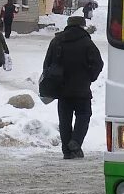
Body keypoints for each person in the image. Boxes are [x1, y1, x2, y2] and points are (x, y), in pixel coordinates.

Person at [43, 15, 104, 159]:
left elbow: (47, 64)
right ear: (82, 26)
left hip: (61, 89)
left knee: (64, 120)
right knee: (84, 115)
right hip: (81, 88)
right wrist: (90, 77)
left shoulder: (56, 41)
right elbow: (98, 63)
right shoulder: (87, 43)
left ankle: (66, 151)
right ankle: (76, 142)